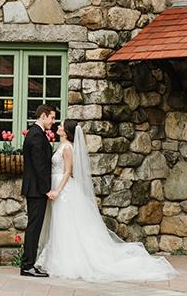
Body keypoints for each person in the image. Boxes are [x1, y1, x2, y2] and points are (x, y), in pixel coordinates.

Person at [35, 120, 177, 282]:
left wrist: (57, 191)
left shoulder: (67, 148)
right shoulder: (62, 145)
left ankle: (68, 261)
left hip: (63, 190)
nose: (58, 127)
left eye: (61, 126)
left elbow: (68, 172)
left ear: (66, 132)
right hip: (58, 186)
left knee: (66, 224)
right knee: (61, 224)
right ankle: (58, 257)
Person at [19, 104, 56, 277]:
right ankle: (27, 266)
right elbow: (39, 166)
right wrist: (46, 189)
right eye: (52, 118)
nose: (53, 122)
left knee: (35, 227)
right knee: (34, 227)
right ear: (43, 116)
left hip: (35, 189)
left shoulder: (36, 133)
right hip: (36, 190)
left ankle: (29, 264)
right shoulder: (35, 136)